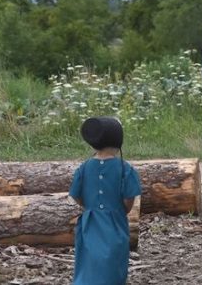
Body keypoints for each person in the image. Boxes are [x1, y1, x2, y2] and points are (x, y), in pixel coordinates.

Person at [69, 116, 142, 285]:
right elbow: (128, 200)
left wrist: (89, 207)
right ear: (118, 142)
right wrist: (119, 210)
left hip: (89, 222)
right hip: (114, 224)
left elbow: (76, 194)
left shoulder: (84, 167)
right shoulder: (126, 169)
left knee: (88, 261)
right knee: (112, 265)